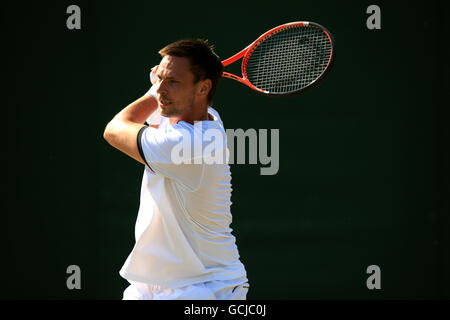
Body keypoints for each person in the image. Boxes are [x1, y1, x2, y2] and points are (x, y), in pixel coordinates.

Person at [103, 39, 249, 300]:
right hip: (151, 286)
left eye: (173, 82)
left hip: (207, 289)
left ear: (203, 88)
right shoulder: (197, 114)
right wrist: (164, 83)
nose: (162, 90)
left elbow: (115, 129)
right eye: (159, 78)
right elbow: (163, 112)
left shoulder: (187, 145)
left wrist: (152, 91)